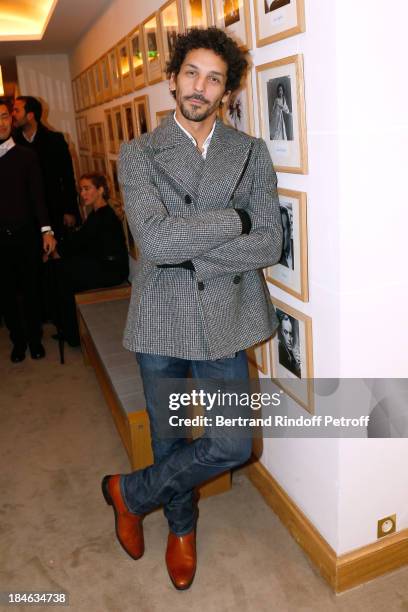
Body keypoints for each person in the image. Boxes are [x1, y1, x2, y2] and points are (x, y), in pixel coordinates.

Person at [102, 28, 282, 590]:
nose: (200, 87)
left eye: (214, 79)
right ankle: (181, 527)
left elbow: (270, 241)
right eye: (192, 73)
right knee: (169, 435)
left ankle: (129, 493)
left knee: (230, 442)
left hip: (226, 314)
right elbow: (153, 244)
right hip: (161, 317)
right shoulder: (139, 153)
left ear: (226, 92)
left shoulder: (249, 152)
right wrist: (235, 219)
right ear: (173, 77)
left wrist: (194, 241)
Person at [0, 98, 56, 362]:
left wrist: (47, 231)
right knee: (6, 294)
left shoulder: (26, 155)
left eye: (3, 116)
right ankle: (18, 341)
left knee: (32, 290)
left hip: (26, 235)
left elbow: (38, 198)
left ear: (11, 120)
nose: (0, 123)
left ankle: (34, 339)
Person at [53, 172, 129, 346]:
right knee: (63, 268)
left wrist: (60, 252)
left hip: (112, 271)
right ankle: (68, 329)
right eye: (81, 190)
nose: (83, 194)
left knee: (64, 272)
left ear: (100, 190)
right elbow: (83, 242)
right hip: (103, 264)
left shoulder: (105, 216)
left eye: (87, 189)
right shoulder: (97, 214)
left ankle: (72, 334)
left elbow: (83, 242)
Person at [12, 96, 79, 239]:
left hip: (54, 209)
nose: (13, 115)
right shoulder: (12, 143)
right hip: (25, 214)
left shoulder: (55, 140)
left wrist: (70, 210)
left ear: (30, 115)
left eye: (17, 110)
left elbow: (67, 177)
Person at [277, 312, 301, 378]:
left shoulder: (298, 350)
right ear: (281, 332)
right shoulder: (280, 352)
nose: (290, 338)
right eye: (286, 332)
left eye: (291, 334)